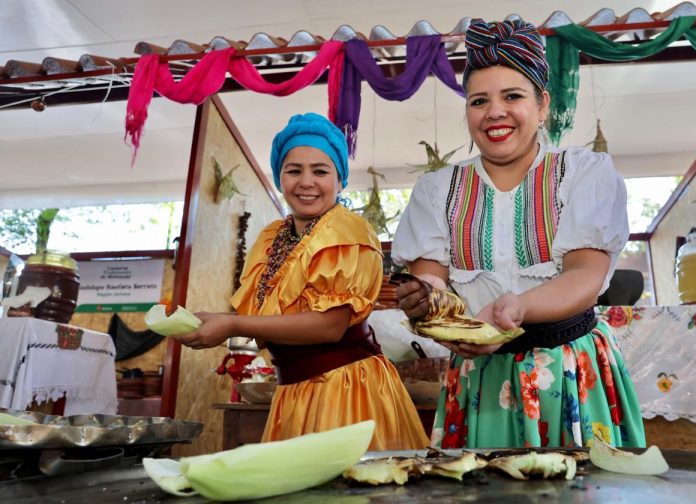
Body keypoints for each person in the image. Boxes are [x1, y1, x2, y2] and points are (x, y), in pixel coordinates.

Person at [392, 19, 646, 450]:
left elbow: (585, 276)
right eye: (479, 100)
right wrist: (426, 304)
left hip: (567, 368)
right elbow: (432, 279)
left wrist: (518, 307)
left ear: (543, 104)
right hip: (480, 377)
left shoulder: (583, 173)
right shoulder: (437, 191)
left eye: (513, 96)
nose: (495, 112)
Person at [176, 112, 429, 451]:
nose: (306, 181)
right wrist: (215, 322)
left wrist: (231, 323)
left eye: (320, 171)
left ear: (339, 181)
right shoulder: (272, 238)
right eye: (294, 170)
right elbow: (267, 318)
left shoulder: (347, 231)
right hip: (294, 391)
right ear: (280, 178)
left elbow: (330, 326)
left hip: (345, 391)